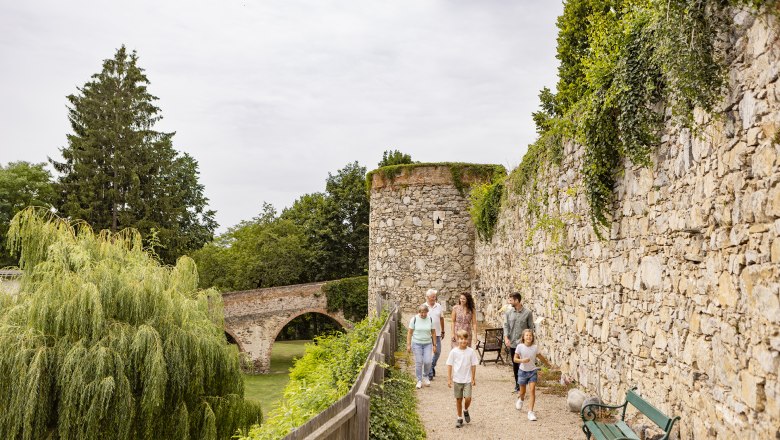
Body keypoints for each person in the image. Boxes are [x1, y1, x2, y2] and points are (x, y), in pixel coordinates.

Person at [513, 329, 550, 421]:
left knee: (532, 390)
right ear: (523, 337)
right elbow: (515, 359)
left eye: (530, 335)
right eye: (527, 335)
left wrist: (547, 364)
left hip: (532, 371)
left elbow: (540, 356)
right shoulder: (520, 347)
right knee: (522, 392)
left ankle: (530, 412)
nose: (529, 337)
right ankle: (521, 399)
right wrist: (522, 360)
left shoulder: (535, 347)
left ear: (532, 337)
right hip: (522, 372)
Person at [447, 329, 479, 428]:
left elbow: (474, 365)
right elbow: (449, 365)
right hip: (457, 379)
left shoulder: (471, 352)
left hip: (467, 379)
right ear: (457, 339)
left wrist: (473, 378)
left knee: (468, 398)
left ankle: (465, 410)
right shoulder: (454, 352)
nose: (463, 341)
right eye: (461, 339)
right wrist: (449, 378)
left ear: (467, 340)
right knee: (458, 399)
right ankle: (459, 418)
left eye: (465, 339)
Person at [503, 292, 534, 392]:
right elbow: (506, 326)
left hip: (523, 344)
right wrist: (506, 338)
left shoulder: (528, 313)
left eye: (511, 300)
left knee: (524, 364)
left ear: (517, 300)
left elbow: (531, 328)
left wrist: (529, 342)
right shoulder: (508, 312)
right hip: (512, 343)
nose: (509, 302)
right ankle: (518, 385)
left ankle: (525, 383)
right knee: (515, 365)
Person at [407, 304, 437, 389]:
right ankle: (419, 380)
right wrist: (408, 344)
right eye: (422, 313)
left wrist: (435, 345)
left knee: (428, 361)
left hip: (428, 343)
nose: (423, 314)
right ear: (419, 312)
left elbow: (433, 333)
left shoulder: (430, 319)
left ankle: (425, 376)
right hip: (416, 343)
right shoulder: (414, 319)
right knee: (419, 361)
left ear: (427, 312)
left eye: (425, 312)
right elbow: (409, 332)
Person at [421, 288, 445, 380]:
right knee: (427, 353)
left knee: (437, 352)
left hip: (437, 333)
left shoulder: (438, 306)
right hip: (426, 334)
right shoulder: (423, 306)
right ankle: (430, 373)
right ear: (427, 297)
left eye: (435, 297)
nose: (434, 298)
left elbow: (442, 318)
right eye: (432, 297)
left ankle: (431, 366)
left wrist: (443, 331)